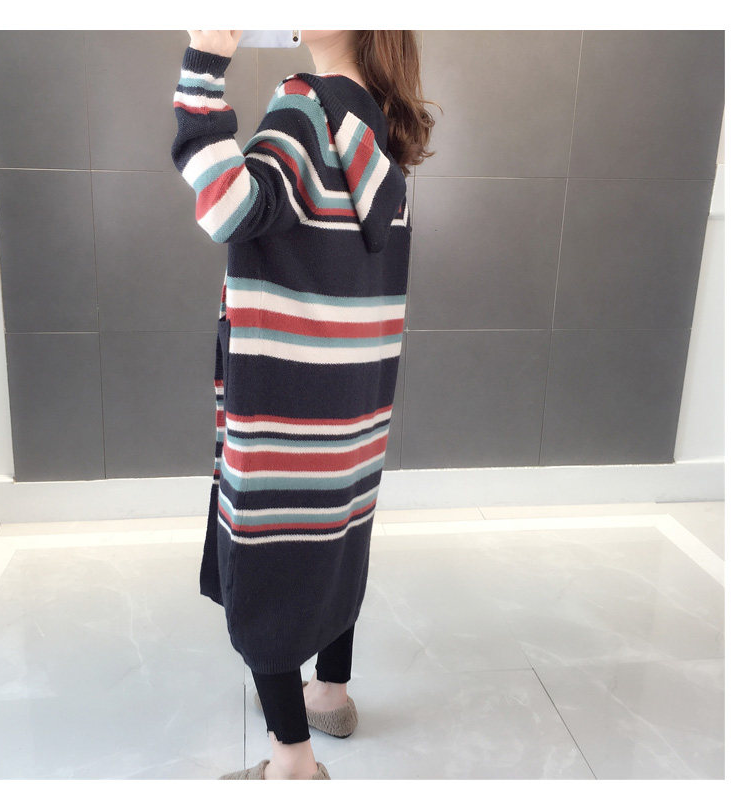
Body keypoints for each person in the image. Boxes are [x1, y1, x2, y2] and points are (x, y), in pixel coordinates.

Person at [171, 29, 438, 779]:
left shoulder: (304, 109)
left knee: (269, 556)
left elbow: (228, 208)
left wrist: (203, 65)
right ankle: (331, 691)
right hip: (352, 402)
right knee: (336, 530)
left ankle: (292, 762)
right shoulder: (379, 126)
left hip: (286, 401)